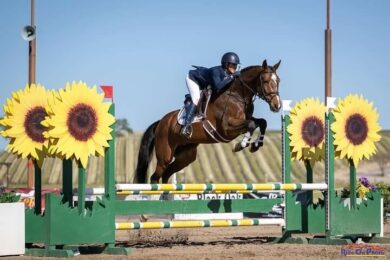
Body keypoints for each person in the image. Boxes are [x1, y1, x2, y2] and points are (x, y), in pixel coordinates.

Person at [181, 52, 241, 137]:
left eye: (236, 65)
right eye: (233, 65)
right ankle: (185, 126)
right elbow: (218, 87)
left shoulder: (228, 73)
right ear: (226, 64)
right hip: (193, 79)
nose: (235, 67)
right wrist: (232, 77)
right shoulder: (215, 71)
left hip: (205, 83)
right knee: (196, 98)